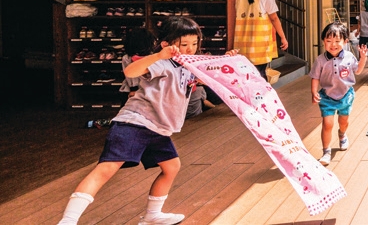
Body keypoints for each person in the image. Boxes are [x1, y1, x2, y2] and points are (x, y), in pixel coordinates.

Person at [56, 16, 235, 225]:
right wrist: (159, 55)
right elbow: (130, 71)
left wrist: (227, 61)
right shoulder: (161, 63)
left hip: (158, 130)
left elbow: (209, 75)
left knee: (171, 167)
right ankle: (67, 221)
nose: (190, 49)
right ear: (166, 44)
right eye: (184, 44)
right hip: (134, 124)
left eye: (194, 44)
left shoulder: (187, 67)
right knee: (105, 169)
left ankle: (152, 216)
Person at [310, 22, 368, 166]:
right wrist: (313, 91)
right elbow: (315, 77)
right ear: (323, 41)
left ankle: (342, 134)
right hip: (327, 96)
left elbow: (358, 71)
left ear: (345, 41)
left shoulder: (349, 57)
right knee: (327, 123)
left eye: (337, 41)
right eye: (329, 41)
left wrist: (363, 58)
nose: (333, 45)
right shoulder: (320, 60)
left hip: (346, 96)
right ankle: (326, 151)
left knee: (344, 122)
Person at [233, 0, 289, 78]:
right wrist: (283, 37)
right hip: (260, 43)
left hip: (242, 43)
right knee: (260, 75)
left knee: (246, 75)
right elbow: (273, 18)